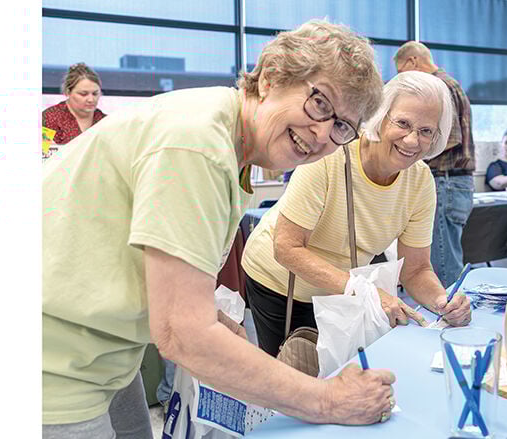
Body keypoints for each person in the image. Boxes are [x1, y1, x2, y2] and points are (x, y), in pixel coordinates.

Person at [43, 20, 393, 439]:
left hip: (106, 349)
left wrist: (208, 318)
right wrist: (327, 399)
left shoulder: (231, 144)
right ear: (271, 77)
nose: (322, 132)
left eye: (342, 126)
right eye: (319, 103)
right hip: (52, 360)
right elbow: (183, 336)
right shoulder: (200, 144)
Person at [241, 71, 472, 357]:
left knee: (342, 375)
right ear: (380, 116)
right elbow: (286, 248)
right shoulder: (330, 156)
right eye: (403, 123)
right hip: (280, 282)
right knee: (294, 378)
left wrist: (442, 302)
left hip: (342, 291)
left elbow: (416, 269)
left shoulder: (421, 181)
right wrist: (367, 293)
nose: (413, 141)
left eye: (426, 131)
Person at [394, 41, 475, 289]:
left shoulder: (437, 87)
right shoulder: (449, 84)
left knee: (442, 269)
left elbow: (446, 140)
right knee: (446, 261)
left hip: (445, 181)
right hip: (454, 183)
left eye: (401, 73)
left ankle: (448, 321)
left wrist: (405, 157)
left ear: (412, 62)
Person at [42, 63, 107, 149]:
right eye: (83, 94)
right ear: (68, 92)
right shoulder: (49, 118)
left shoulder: (104, 121)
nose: (91, 99)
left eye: (95, 94)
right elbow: (43, 154)